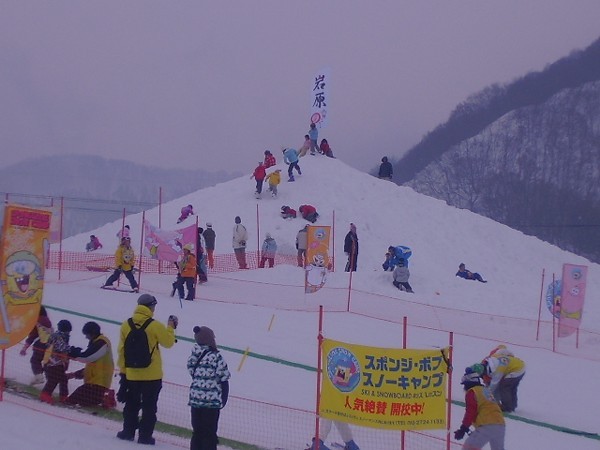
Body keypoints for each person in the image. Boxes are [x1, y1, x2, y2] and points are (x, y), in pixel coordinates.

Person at [116, 294, 177, 445]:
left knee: (131, 405)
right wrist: (170, 327)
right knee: (149, 408)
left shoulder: (125, 325)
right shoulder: (154, 325)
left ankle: (127, 432)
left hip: (132, 374)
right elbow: (168, 343)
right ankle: (145, 436)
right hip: (152, 375)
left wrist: (124, 372)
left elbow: (121, 351)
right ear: (151, 307)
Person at [188, 326, 231, 450]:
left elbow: (192, 372)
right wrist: (223, 398)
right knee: (209, 433)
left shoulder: (193, 356)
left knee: (197, 431)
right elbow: (224, 378)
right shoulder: (216, 357)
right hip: (211, 403)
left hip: (195, 401)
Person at [454, 367, 506, 450]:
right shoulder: (486, 390)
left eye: (464, 384)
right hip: (500, 425)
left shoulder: (472, 392)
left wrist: (463, 428)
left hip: (486, 425)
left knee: (468, 448)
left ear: (468, 382)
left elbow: (470, 411)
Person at [65, 321, 114, 407]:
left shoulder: (102, 343)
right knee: (82, 402)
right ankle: (103, 398)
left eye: (87, 334)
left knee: (70, 401)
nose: (86, 337)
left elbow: (86, 358)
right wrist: (75, 375)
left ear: (92, 333)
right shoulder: (96, 343)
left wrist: (71, 353)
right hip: (94, 382)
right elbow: (91, 367)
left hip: (98, 383)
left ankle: (105, 398)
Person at [482, 345, 525, 413]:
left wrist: (487, 393)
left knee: (505, 387)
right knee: (512, 387)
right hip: (520, 366)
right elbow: (502, 349)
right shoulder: (494, 358)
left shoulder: (499, 369)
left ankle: (507, 407)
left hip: (516, 371)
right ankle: (512, 405)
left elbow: (494, 383)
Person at [40, 319, 73, 404]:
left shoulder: (61, 337)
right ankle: (45, 394)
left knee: (63, 379)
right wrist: (71, 351)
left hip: (57, 362)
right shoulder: (57, 336)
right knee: (53, 379)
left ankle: (63, 395)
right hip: (52, 363)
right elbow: (62, 348)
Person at [20, 305, 53, 385]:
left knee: (35, 360)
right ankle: (49, 379)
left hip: (40, 344)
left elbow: (32, 336)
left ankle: (39, 377)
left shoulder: (36, 321)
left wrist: (24, 348)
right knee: (46, 362)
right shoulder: (47, 320)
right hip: (50, 345)